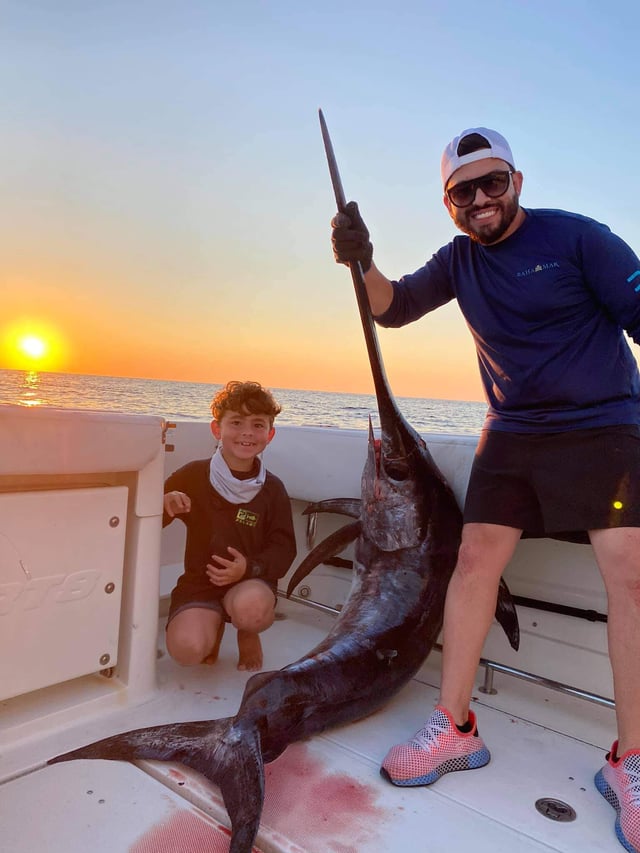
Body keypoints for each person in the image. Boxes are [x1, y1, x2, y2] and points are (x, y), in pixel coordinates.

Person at [331, 127, 640, 852]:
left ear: (517, 182)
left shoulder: (580, 239)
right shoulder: (460, 260)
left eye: (490, 183)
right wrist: (362, 259)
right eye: (460, 192)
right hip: (511, 431)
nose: (478, 201)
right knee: (472, 563)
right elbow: (392, 308)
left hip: (604, 426)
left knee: (629, 573)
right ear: (449, 204)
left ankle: (629, 758)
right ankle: (456, 727)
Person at [163, 380, 296, 672]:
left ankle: (246, 631)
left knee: (252, 611)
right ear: (216, 429)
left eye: (258, 425)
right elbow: (149, 520)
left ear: (270, 434)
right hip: (199, 585)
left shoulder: (273, 489)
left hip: (250, 584)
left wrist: (248, 568)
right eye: (236, 422)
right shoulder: (192, 475)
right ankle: (213, 627)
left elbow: (284, 550)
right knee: (187, 651)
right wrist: (164, 502)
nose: (247, 432)